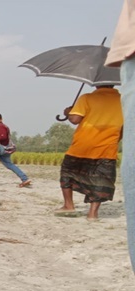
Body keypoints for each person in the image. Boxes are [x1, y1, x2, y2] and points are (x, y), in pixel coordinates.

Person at [56, 85, 123, 220]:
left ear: (97, 83)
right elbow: (125, 126)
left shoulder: (87, 97)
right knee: (101, 178)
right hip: (107, 146)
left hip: (83, 144)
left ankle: (69, 205)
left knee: (68, 172)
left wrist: (69, 112)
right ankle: (93, 214)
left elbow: (75, 119)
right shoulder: (124, 100)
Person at [106, 0, 135, 270]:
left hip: (88, 147)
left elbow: (76, 119)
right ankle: (93, 211)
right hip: (105, 148)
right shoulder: (113, 97)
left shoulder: (90, 100)